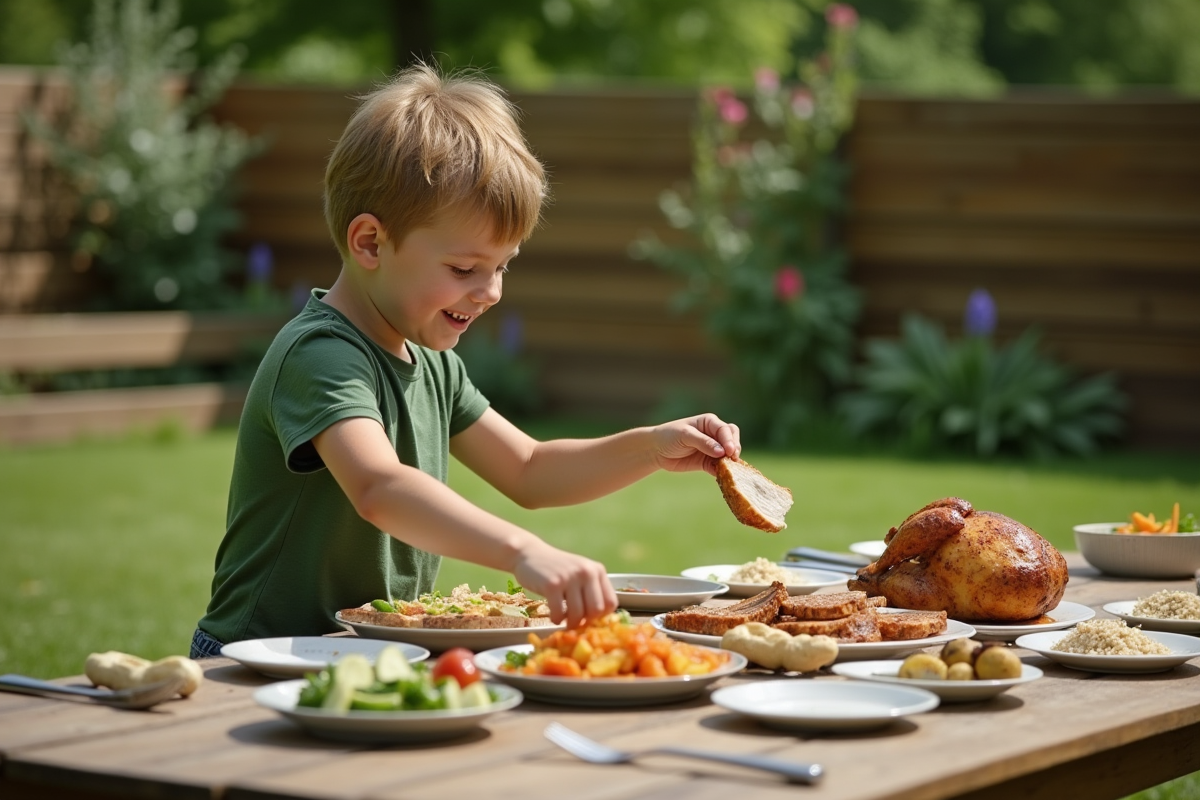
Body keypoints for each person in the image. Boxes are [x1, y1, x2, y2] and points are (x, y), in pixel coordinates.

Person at [190, 63, 741, 658]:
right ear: (370, 243)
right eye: (464, 269)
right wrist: (522, 551)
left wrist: (651, 447)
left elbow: (529, 468)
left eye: (503, 265)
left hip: (364, 654)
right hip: (255, 662)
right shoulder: (321, 355)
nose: (492, 291)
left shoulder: (432, 363)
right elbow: (380, 486)